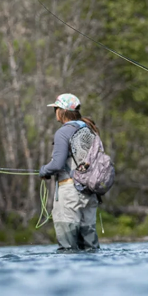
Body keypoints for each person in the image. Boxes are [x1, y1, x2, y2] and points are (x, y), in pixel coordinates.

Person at [39, 93, 101, 251]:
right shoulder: (89, 130)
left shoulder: (63, 132)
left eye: (55, 109)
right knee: (90, 247)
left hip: (70, 192)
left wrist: (43, 170)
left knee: (68, 248)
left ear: (61, 111)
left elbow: (57, 164)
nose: (55, 113)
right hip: (90, 192)